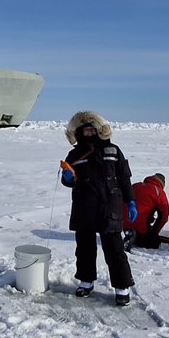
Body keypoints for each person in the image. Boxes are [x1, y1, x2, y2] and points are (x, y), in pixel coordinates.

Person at [60, 111, 136, 305]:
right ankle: (86, 282)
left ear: (99, 130)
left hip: (109, 205)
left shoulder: (113, 151)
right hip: (84, 205)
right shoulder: (74, 154)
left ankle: (122, 287)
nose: (89, 133)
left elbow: (124, 178)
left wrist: (131, 201)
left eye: (92, 130)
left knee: (114, 249)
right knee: (84, 248)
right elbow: (68, 179)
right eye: (85, 131)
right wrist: (68, 178)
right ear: (79, 132)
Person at [123, 173, 169, 250]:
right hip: (140, 224)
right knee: (154, 243)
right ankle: (137, 237)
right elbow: (164, 215)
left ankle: (129, 232)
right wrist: (154, 232)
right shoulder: (159, 191)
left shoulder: (135, 185)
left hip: (123, 221)